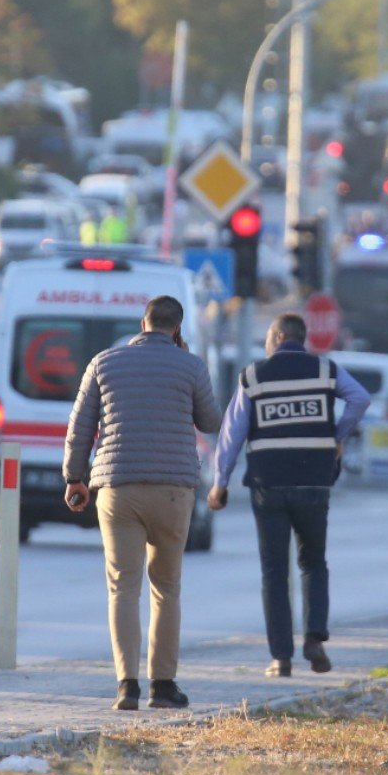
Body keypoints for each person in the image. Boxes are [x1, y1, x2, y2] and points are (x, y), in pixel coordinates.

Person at [64, 296, 221, 712]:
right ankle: (164, 686)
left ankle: (126, 686)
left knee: (122, 586)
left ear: (143, 323)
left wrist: (74, 478)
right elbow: (211, 421)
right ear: (177, 327)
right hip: (174, 489)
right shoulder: (192, 366)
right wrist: (186, 370)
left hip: (118, 488)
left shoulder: (103, 363)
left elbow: (80, 428)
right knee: (166, 588)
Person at [208, 314, 372, 677]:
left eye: (267, 337)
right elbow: (360, 398)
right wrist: (337, 435)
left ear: (279, 336)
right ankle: (314, 638)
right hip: (314, 482)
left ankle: (280, 658)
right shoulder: (325, 370)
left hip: (269, 484)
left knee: (274, 571)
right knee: (314, 562)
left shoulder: (254, 375)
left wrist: (220, 481)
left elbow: (232, 432)